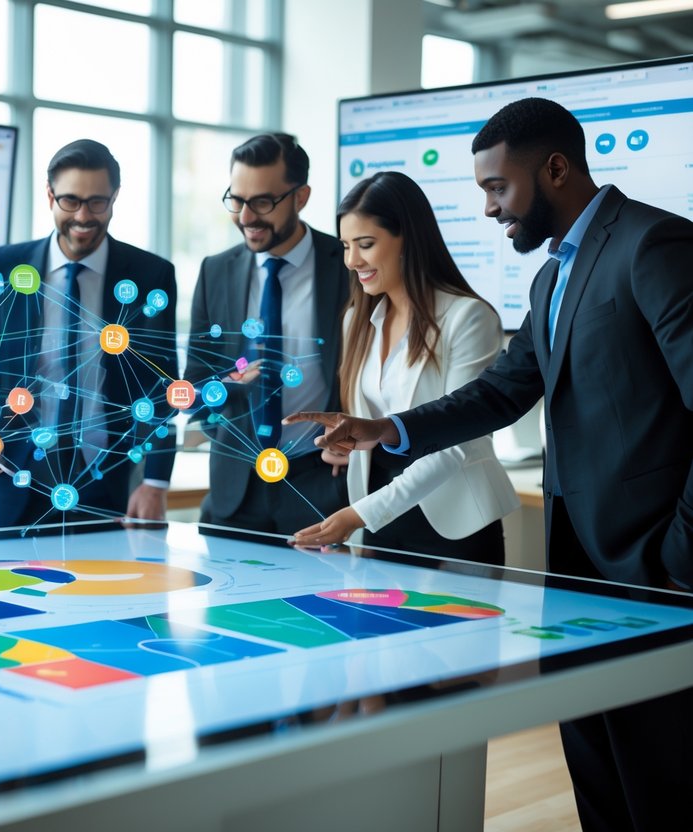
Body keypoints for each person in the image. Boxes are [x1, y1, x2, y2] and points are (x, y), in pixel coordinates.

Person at [287, 97, 693, 832]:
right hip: (577, 571)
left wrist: (680, 556)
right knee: (597, 773)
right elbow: (503, 392)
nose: (486, 209)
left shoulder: (653, 246)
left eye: (496, 188)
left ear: (555, 169)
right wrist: (385, 427)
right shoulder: (550, 279)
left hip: (650, 569)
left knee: (658, 779)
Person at [291, 171, 518, 562]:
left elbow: (457, 440)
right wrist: (351, 445)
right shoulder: (356, 321)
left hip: (453, 521)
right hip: (378, 517)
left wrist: (360, 514)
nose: (352, 260)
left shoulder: (468, 318)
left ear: (407, 240)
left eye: (365, 244)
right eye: (346, 246)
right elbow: (379, 423)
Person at [0, 139, 178, 529]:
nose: (83, 216)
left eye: (97, 202)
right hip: (16, 474)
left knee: (107, 587)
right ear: (50, 195)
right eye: (70, 201)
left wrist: (155, 481)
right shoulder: (4, 265)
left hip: (107, 478)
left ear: (114, 198)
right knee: (7, 587)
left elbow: (159, 385)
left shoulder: (150, 275)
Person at [182, 133, 349, 536]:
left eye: (262, 202)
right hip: (232, 492)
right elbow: (194, 388)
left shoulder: (347, 266)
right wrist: (228, 389)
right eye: (237, 200)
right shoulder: (215, 271)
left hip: (318, 484)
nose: (246, 217)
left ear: (301, 196)